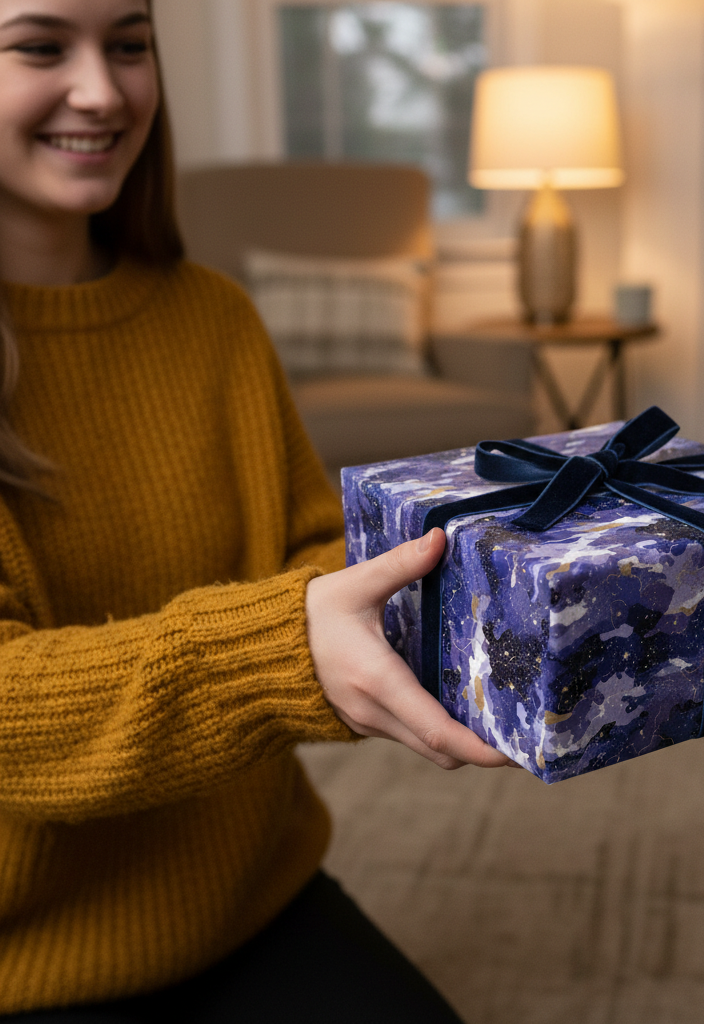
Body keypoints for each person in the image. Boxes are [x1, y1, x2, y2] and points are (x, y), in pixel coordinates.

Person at [0, 1, 513, 1020]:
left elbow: (311, 550)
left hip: (251, 897)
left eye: (131, 45)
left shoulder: (214, 317)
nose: (104, 90)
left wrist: (458, 569)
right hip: (31, 963)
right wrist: (287, 646)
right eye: (41, 45)